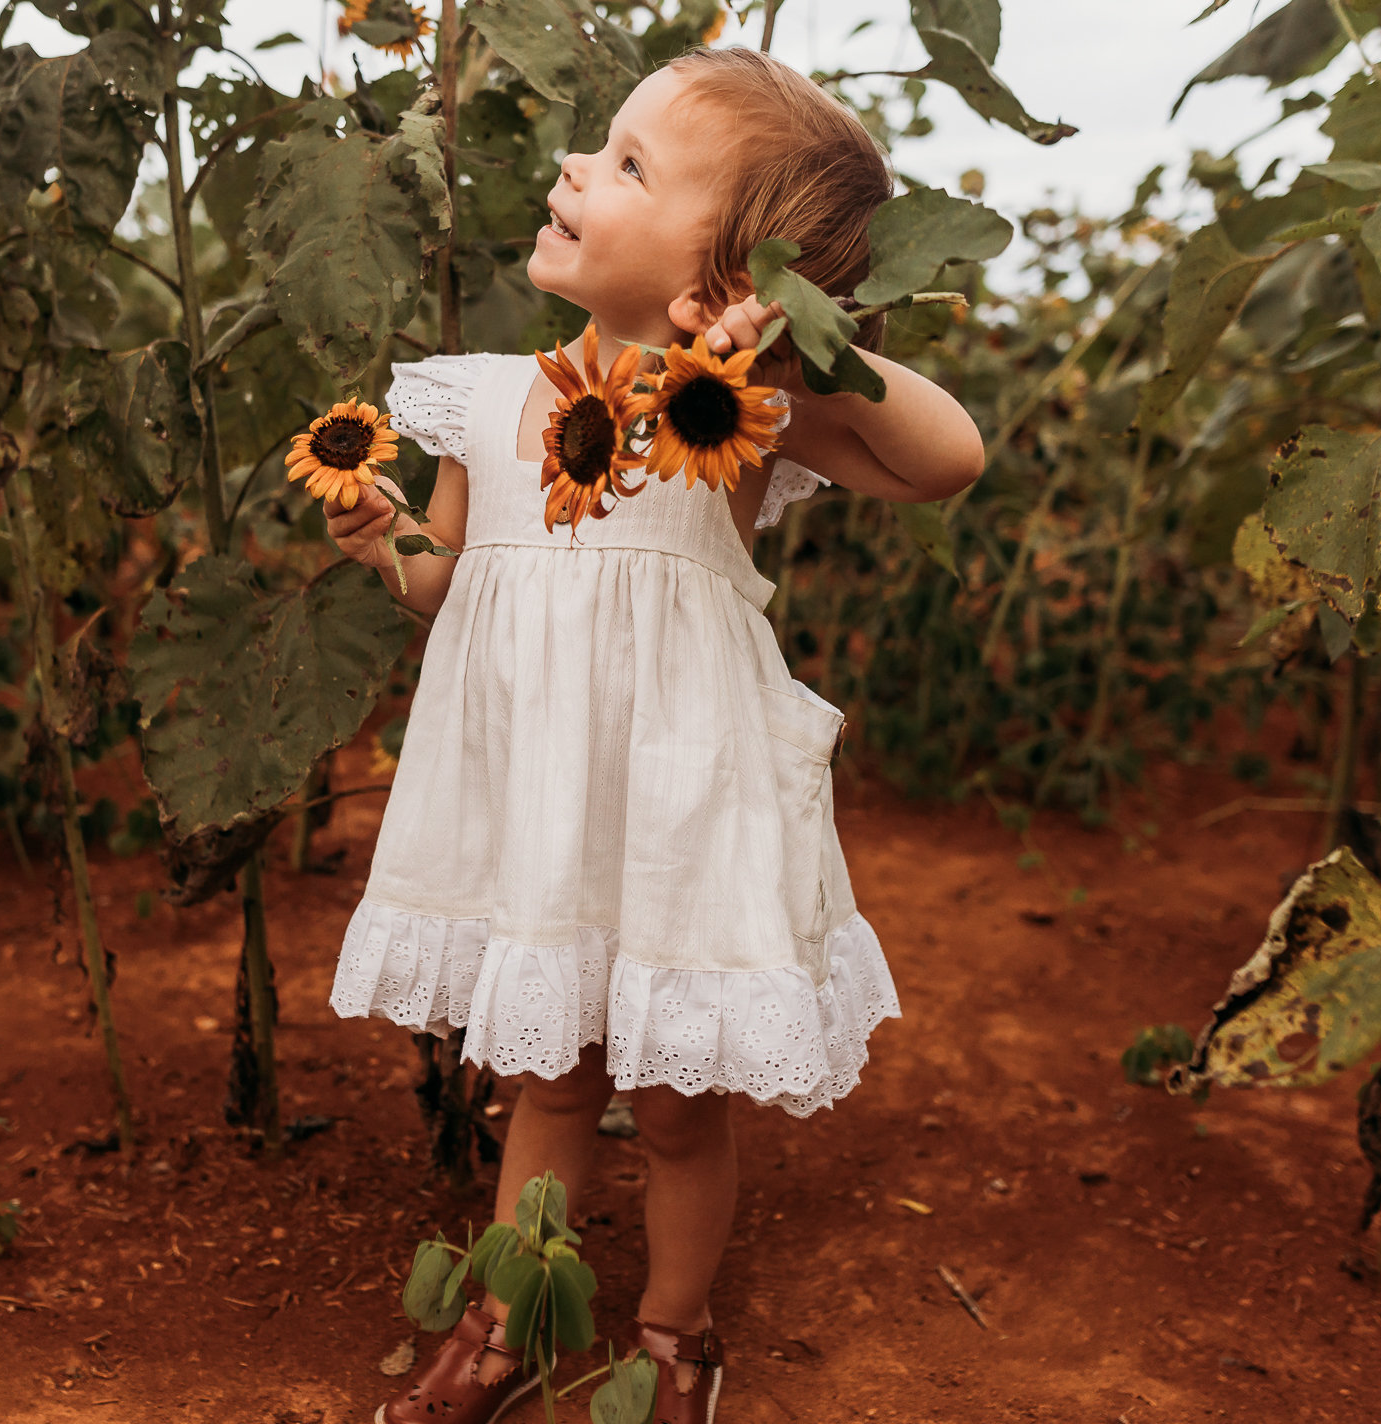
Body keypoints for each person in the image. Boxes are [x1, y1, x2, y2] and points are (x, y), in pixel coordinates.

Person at [324, 43, 985, 1424]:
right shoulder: (479, 396)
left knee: (683, 1106)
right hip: (542, 807)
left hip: (682, 804)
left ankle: (675, 1339)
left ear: (729, 274)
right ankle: (506, 1327)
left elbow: (947, 461)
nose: (577, 166)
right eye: (598, 143)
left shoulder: (734, 413)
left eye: (631, 165)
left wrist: (808, 337)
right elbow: (453, 583)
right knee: (544, 1077)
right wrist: (384, 545)